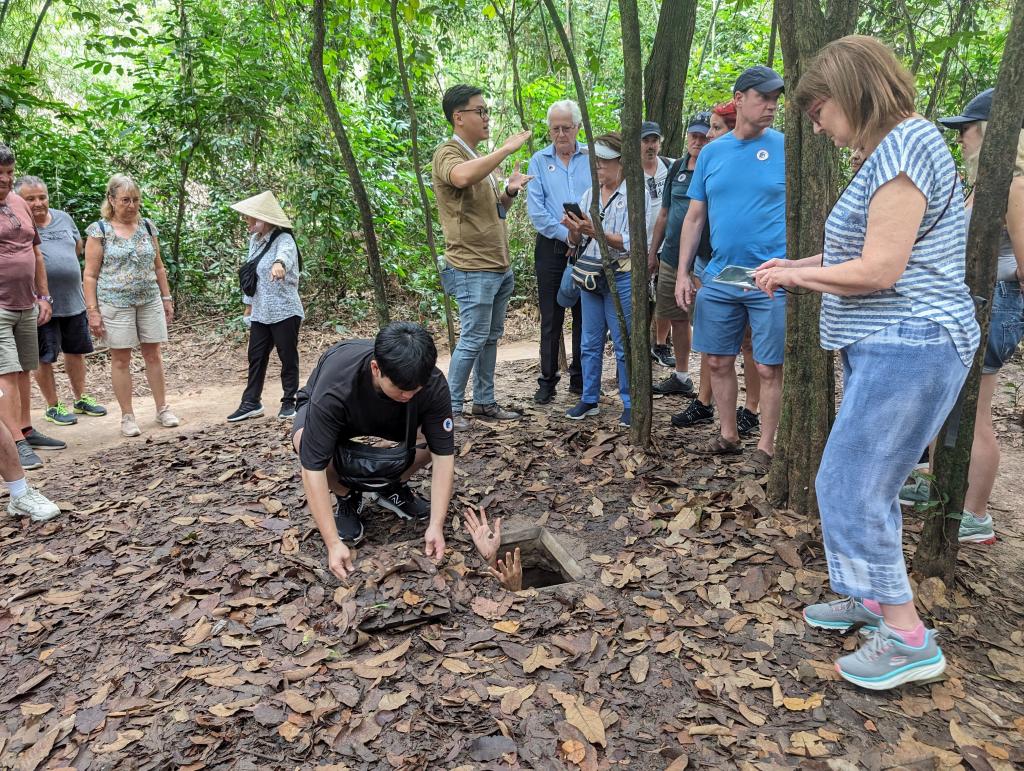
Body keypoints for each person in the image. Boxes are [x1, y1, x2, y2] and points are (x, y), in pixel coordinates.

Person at [754, 35, 980, 689]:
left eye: (819, 110)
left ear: (851, 91)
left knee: (850, 484)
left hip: (912, 340)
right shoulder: (890, 152)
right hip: (889, 340)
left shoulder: (907, 145)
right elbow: (867, 249)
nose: (818, 126)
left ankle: (908, 636)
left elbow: (881, 269)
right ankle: (869, 593)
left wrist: (800, 283)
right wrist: (793, 265)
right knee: (862, 482)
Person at [901, 89, 1023, 545]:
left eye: (967, 129)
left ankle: (975, 513)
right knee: (951, 402)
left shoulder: (1014, 186)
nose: (962, 139)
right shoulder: (986, 184)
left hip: (997, 303)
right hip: (971, 303)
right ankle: (940, 479)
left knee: (976, 412)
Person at [674, 67, 786, 473]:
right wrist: (684, 272)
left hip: (771, 274)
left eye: (776, 98)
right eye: (763, 97)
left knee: (768, 365)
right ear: (739, 99)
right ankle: (728, 434)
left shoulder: (785, 148)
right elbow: (694, 217)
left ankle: (768, 447)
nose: (772, 105)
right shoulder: (712, 153)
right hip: (721, 275)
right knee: (718, 360)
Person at [292, 322, 455, 580]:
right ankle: (347, 497)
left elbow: (444, 456)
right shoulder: (337, 383)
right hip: (344, 418)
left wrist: (436, 524)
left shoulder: (430, 383)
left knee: (437, 437)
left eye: (416, 389)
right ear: (376, 369)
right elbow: (312, 468)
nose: (409, 394)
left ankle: (390, 486)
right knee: (304, 442)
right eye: (402, 389)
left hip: (398, 422)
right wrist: (333, 544)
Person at [432, 85, 533, 431]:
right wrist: (505, 149)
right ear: (459, 117)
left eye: (487, 110)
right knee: (473, 336)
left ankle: (484, 402)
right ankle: (450, 409)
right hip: (472, 266)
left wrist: (508, 191)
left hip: (497, 265)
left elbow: (496, 209)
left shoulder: (479, 160)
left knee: (490, 337)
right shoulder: (449, 153)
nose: (487, 117)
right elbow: (460, 177)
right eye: (480, 111)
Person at [671, 100, 761, 436]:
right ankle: (705, 401)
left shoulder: (753, 160)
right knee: (714, 342)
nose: (708, 135)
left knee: (748, 342)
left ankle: (751, 408)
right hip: (709, 262)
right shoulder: (709, 161)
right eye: (708, 128)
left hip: (747, 265)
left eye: (716, 128)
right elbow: (692, 216)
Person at [562, 132, 655, 428]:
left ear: (621, 162)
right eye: (596, 162)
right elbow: (575, 241)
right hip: (592, 276)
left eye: (603, 161)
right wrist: (575, 229)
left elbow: (633, 242)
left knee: (622, 340)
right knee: (589, 340)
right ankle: (589, 397)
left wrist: (594, 231)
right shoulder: (590, 194)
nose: (598, 167)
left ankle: (629, 401)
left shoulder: (635, 194)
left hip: (622, 274)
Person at [84, 174, 180, 437]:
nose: (131, 205)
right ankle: (127, 416)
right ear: (111, 200)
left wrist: (166, 297)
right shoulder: (99, 231)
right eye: (125, 200)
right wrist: (92, 311)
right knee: (121, 359)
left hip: (148, 299)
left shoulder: (148, 227)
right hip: (115, 303)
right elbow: (90, 275)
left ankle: (163, 408)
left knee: (154, 354)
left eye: (135, 200)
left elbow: (158, 267)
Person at [14, 176, 107, 428]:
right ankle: (53, 406)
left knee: (76, 352)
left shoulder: (63, 218)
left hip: (73, 300)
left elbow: (77, 248)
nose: (37, 203)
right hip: (41, 304)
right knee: (45, 356)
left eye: (41, 197)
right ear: (19, 201)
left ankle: (80, 399)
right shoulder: (18, 225)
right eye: (30, 198)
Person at [0, 145, 66, 472]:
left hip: (26, 303)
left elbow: (35, 251)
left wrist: (44, 296)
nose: (5, 179)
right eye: (0, 174)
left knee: (25, 367)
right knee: (6, 373)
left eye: (9, 172)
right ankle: (15, 440)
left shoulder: (18, 203)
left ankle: (25, 427)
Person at [526, 100, 589, 405]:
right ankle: (547, 380)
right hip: (552, 247)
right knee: (551, 317)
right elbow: (537, 212)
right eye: (555, 128)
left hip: (589, 247)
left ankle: (581, 380)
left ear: (577, 126)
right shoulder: (538, 161)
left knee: (584, 315)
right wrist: (568, 235)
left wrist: (582, 235)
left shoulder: (591, 158)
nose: (561, 134)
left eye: (567, 127)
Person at [647, 112, 711, 399]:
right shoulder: (676, 168)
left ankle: (707, 394)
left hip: (705, 259)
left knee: (708, 322)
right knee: (677, 317)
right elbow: (664, 213)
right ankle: (682, 376)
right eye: (694, 135)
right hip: (673, 256)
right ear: (687, 136)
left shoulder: (715, 166)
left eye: (703, 135)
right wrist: (653, 252)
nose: (698, 140)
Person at [226, 191, 304, 422]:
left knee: (287, 356)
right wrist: (248, 306)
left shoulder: (284, 240)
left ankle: (290, 401)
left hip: (284, 311)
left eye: (251, 217)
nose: (247, 221)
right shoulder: (255, 241)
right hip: (261, 312)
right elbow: (251, 276)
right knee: (256, 356)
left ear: (264, 219)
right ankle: (251, 402)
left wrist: (279, 265)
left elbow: (285, 257)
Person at [641, 120, 677, 368]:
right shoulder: (628, 171)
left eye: (654, 140)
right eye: (645, 140)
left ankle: (661, 344)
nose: (650, 145)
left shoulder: (671, 166)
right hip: (637, 244)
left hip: (666, 244)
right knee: (641, 297)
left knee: (664, 297)